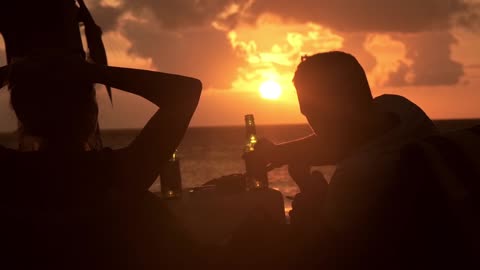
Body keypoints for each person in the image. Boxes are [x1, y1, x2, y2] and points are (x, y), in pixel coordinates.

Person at [0, 56, 202, 269]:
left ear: (22, 114)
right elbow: (185, 91)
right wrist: (95, 72)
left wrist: (14, 72)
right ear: (91, 114)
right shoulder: (119, 173)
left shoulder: (9, 175)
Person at [245, 51, 438, 267]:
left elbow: (320, 252)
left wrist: (311, 192)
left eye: (310, 111)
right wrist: (279, 153)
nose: (312, 121)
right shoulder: (401, 110)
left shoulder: (356, 176)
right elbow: (344, 142)